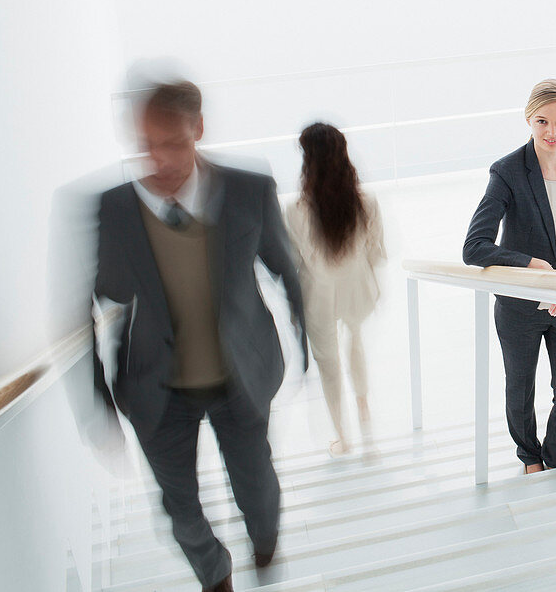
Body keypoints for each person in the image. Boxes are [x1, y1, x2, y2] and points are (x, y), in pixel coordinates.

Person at [89, 75, 307, 592]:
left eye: (173, 143)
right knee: (179, 508)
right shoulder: (114, 208)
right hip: (154, 387)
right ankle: (215, 574)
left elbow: (285, 267)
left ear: (199, 129)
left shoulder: (249, 188)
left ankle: (264, 543)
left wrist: (303, 345)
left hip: (242, 376)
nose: (159, 160)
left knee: (257, 490)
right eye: (147, 146)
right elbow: (96, 299)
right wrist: (98, 397)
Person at [463, 79, 556, 474]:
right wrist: (533, 265)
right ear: (528, 119)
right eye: (542, 121)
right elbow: (474, 246)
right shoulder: (509, 171)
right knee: (520, 393)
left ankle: (555, 460)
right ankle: (530, 459)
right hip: (521, 308)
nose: (552, 132)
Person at [285, 122, 385, 456]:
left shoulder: (296, 211)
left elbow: (296, 261)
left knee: (328, 363)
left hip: (318, 296)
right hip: (357, 287)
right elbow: (376, 253)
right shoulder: (366, 203)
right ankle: (364, 407)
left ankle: (343, 436)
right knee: (355, 341)